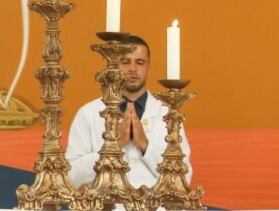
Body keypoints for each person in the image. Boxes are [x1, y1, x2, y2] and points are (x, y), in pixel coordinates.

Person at [66, 35, 191, 188]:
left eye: (140, 62)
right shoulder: (88, 113)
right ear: (115, 67)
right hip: (103, 202)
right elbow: (71, 177)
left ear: (148, 69)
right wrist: (114, 145)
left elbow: (185, 178)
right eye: (125, 62)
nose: (132, 69)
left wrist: (145, 145)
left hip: (154, 203)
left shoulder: (168, 114)